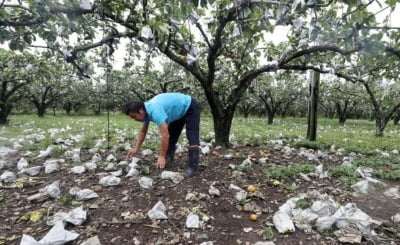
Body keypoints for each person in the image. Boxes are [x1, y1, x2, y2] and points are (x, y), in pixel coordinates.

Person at [122, 93, 201, 177]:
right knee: (172, 135)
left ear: (140, 111)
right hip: (179, 111)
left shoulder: (155, 111)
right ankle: (168, 159)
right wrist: (136, 148)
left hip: (190, 105)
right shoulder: (146, 111)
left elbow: (165, 135)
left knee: (192, 136)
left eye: (134, 116)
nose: (135, 119)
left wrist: (161, 155)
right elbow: (143, 132)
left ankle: (193, 167)